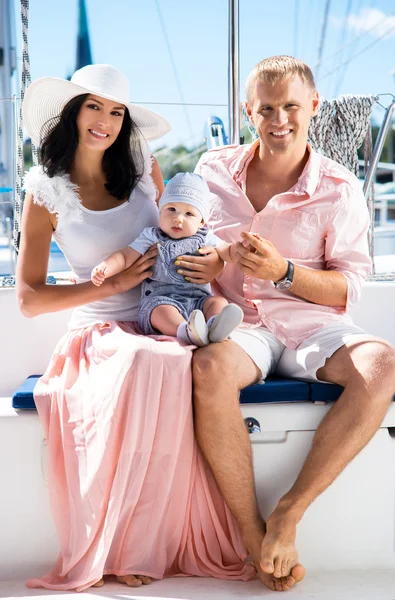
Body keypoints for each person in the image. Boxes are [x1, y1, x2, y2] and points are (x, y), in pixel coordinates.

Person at [17, 63, 256, 591]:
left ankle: (161, 540)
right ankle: (123, 546)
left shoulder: (144, 167)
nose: (104, 120)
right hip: (100, 332)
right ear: (72, 113)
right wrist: (105, 288)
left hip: (165, 315)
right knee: (153, 359)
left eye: (116, 111)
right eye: (94, 107)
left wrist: (214, 264)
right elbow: (30, 299)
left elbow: (185, 227)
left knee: (173, 358)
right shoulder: (45, 194)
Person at [173, 55, 395, 592]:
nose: (280, 120)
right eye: (267, 108)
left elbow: (349, 287)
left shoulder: (339, 188)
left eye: (291, 106)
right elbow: (187, 244)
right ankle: (254, 536)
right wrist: (202, 263)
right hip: (238, 326)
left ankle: (289, 513)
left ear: (312, 107)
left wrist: (285, 272)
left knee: (385, 364)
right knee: (208, 369)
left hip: (311, 324)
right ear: (250, 111)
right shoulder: (211, 171)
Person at [91, 171, 243, 346]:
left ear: (202, 222)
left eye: (189, 214)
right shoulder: (151, 236)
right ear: (160, 210)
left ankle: (216, 326)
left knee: (218, 301)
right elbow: (125, 256)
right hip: (162, 299)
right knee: (161, 311)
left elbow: (225, 250)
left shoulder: (205, 237)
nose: (178, 218)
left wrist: (237, 250)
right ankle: (184, 330)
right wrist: (106, 267)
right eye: (171, 209)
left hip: (200, 301)